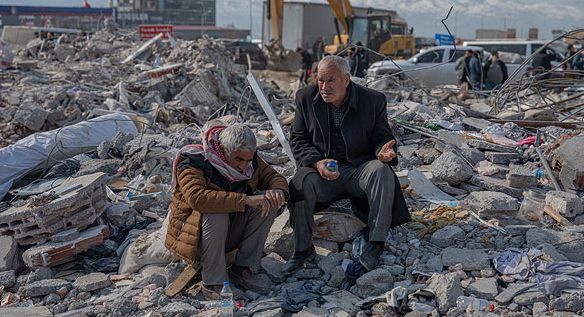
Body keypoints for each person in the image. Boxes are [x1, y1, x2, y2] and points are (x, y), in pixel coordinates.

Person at [283, 55, 411, 278]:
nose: (324, 87)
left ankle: (375, 242)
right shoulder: (305, 98)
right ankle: (303, 249)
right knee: (300, 182)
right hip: (323, 170)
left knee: (381, 172)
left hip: (358, 168)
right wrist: (316, 162)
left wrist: (384, 150)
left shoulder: (372, 100)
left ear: (346, 79)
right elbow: (298, 139)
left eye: (331, 80)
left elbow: (382, 136)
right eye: (321, 80)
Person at [165, 123, 289, 299]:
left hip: (229, 234)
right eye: (238, 160)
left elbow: (273, 177)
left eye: (248, 160)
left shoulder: (248, 159)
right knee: (217, 212)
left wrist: (278, 191)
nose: (244, 166)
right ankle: (213, 282)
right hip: (197, 238)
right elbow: (197, 198)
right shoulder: (193, 159)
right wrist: (245, 200)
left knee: (267, 203)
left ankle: (243, 269)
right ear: (223, 150)